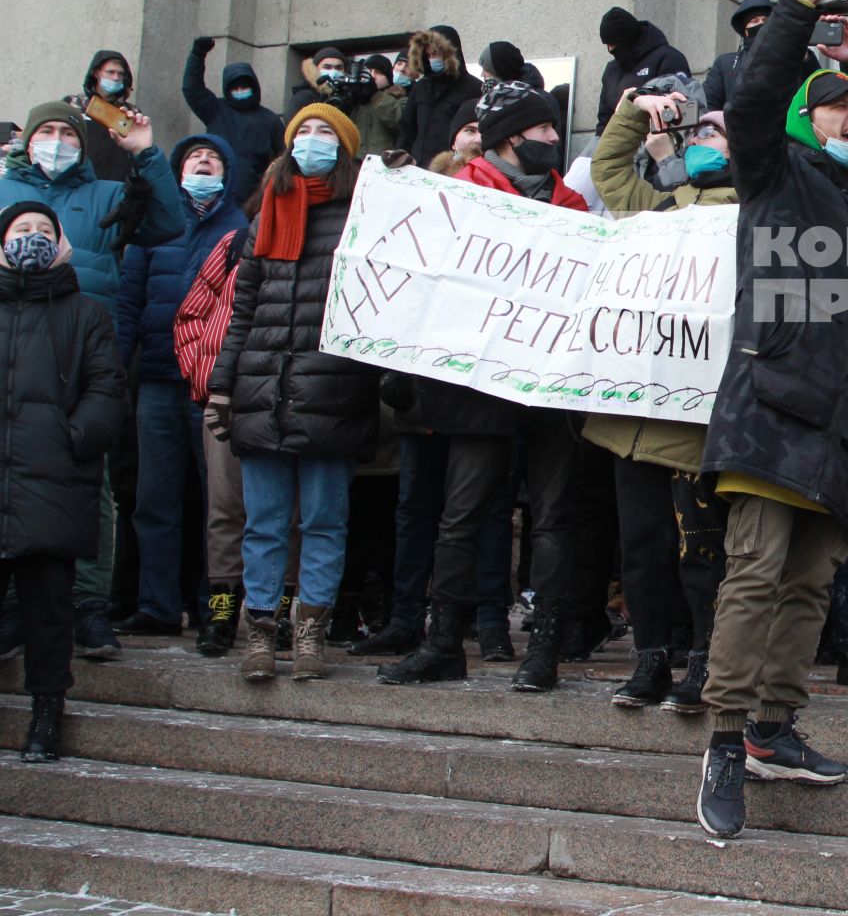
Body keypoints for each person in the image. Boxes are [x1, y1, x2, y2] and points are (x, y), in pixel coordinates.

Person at [693, 0, 848, 840]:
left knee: (811, 586)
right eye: (835, 105)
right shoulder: (774, 173)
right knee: (754, 574)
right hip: (769, 415)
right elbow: (752, 99)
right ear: (805, 119)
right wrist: (799, 2)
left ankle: (772, 727)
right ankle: (720, 739)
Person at [379, 80, 589, 693]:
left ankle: (542, 650)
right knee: (462, 512)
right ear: (511, 137)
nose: (555, 139)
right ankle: (444, 641)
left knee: (553, 517)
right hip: (478, 383)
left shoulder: (571, 204)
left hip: (550, 381)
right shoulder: (461, 195)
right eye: (546, 130)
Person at [0, 100, 185, 661]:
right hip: (11, 355)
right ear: (27, 141)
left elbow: (167, 224)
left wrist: (146, 153)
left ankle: (87, 606)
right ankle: (11, 608)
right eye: (46, 132)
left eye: (67, 132)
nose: (56, 141)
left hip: (79, 355)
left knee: (91, 488)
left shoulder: (107, 193)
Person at [208, 104, 379, 684]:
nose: (311, 140)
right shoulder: (265, 218)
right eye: (302, 131)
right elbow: (243, 310)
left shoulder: (361, 214)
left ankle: (310, 637)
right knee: (264, 522)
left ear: (346, 148)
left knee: (325, 521)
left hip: (331, 387)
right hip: (263, 386)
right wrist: (224, 386)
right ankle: (260, 636)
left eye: (324, 132)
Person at [583, 91, 738, 711]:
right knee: (642, 547)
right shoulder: (658, 208)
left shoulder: (751, 216)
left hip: (695, 423)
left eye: (715, 138)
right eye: (694, 137)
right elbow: (609, 172)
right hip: (634, 420)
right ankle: (650, 659)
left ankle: (703, 660)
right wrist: (632, 110)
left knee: (700, 549)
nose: (700, 145)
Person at [0, 200, 126, 762]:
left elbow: (106, 394)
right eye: (20, 230)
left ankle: (47, 713)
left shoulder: (86, 314)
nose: (31, 238)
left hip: (51, 482)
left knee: (49, 610)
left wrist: (72, 439)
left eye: (43, 230)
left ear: (63, 244)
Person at [113, 135, 249, 635]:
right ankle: (158, 606)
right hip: (156, 380)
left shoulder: (240, 229)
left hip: (212, 385)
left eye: (213, 157)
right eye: (193, 158)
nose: (203, 163)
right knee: (155, 499)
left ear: (228, 171)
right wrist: (115, 368)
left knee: (221, 501)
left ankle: (216, 607)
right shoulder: (156, 225)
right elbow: (129, 304)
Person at [170, 221, 255, 656]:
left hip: (288, 400)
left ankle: (277, 616)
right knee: (223, 509)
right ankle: (221, 611)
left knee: (291, 513)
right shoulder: (235, 242)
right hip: (224, 399)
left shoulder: (330, 239)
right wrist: (204, 378)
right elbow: (190, 315)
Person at [182, 36, 284, 204]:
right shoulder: (215, 110)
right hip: (215, 195)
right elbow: (192, 89)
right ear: (228, 89)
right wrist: (197, 55)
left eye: (245, 87)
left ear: (254, 87)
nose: (240, 91)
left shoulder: (270, 120)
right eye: (235, 88)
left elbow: (283, 156)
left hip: (255, 200)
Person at [595, 7, 689, 134]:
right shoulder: (612, 70)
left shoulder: (669, 58)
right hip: (617, 141)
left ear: (627, 39)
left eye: (613, 43)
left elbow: (681, 110)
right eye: (607, 44)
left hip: (658, 138)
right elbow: (603, 122)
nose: (610, 49)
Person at [398, 26, 481, 166]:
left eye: (436, 53)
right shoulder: (421, 87)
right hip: (417, 165)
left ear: (450, 53)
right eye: (429, 55)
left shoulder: (474, 87)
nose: (432, 59)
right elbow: (407, 129)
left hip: (452, 168)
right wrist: (400, 157)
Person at [64, 51, 139, 184]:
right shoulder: (74, 104)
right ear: (96, 73)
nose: (116, 77)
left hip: (117, 186)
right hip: (78, 182)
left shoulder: (130, 112)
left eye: (120, 74)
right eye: (110, 72)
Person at [703, 0, 774, 111]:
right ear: (745, 30)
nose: (761, 25)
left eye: (765, 21)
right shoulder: (725, 64)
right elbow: (708, 104)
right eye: (754, 21)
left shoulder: (790, 58)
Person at [352, 55, 409, 159]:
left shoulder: (400, 100)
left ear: (388, 77)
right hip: (354, 165)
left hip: (383, 165)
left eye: (378, 72)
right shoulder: (356, 102)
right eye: (369, 72)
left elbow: (400, 123)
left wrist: (376, 95)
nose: (372, 76)